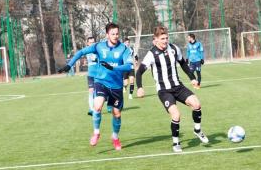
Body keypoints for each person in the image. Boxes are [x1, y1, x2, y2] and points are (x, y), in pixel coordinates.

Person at [58, 22, 133, 150]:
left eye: (117, 34)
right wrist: (69, 65)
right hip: (101, 82)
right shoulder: (99, 46)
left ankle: (115, 137)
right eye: (112, 34)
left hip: (116, 86)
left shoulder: (124, 49)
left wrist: (114, 67)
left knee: (117, 114)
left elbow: (129, 65)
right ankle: (96, 133)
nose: (115, 36)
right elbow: (81, 52)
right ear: (107, 34)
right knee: (97, 107)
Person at [136, 26, 209, 153]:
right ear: (156, 40)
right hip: (164, 91)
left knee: (196, 104)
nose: (165, 41)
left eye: (166, 38)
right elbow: (139, 72)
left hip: (178, 86)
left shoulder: (174, 48)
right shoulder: (151, 54)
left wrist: (192, 78)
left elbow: (183, 64)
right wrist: (140, 87)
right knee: (176, 115)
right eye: (162, 38)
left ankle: (197, 130)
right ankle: (176, 143)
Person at [85, 37, 97, 116]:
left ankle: (109, 105)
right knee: (91, 91)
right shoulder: (86, 50)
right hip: (90, 74)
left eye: (93, 42)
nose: (92, 43)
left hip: (98, 74)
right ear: (88, 43)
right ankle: (91, 109)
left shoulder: (98, 50)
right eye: (90, 42)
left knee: (102, 91)